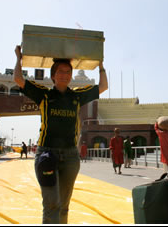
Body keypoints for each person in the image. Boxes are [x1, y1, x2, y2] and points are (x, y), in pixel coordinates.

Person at [14, 45, 108, 224]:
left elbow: (103, 86)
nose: (64, 75)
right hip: (47, 155)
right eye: (60, 71)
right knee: (51, 205)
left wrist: (101, 65)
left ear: (71, 75)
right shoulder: (44, 95)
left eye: (68, 71)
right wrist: (18, 58)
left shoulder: (77, 96)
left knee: (64, 205)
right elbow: (18, 79)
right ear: (53, 75)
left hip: (71, 157)